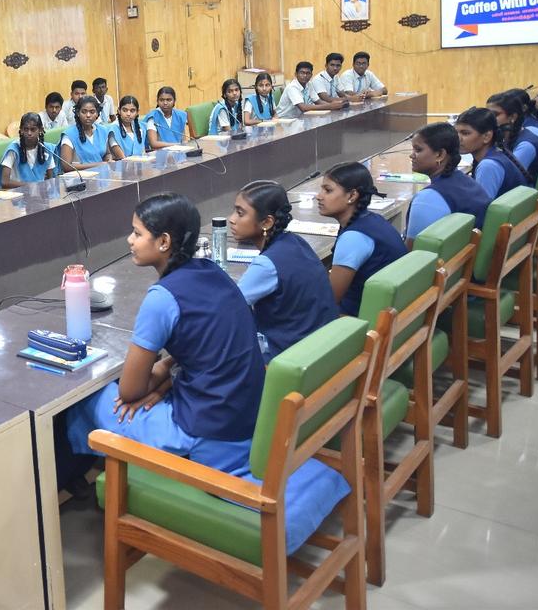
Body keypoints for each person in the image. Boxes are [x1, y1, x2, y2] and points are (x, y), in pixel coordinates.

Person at [63, 193, 265, 474]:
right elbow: (209, 352)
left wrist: (159, 377)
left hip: (204, 431)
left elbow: (130, 391)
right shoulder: (214, 271)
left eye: (137, 233)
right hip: (242, 415)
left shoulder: (162, 298)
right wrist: (166, 376)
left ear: (164, 242)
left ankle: (76, 478)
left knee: (89, 398)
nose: (129, 241)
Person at [229, 181, 338, 362]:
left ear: (266, 222)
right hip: (320, 350)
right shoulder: (296, 241)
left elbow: (228, 308)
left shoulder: (266, 265)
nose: (232, 219)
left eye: (240, 213)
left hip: (289, 358)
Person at [315, 162, 407, 315]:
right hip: (393, 316)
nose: (319, 196)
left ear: (352, 196)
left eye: (327, 190)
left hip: (361, 324)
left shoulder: (354, 238)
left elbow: (329, 301)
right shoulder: (374, 220)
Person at [405, 122, 490, 242]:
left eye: (418, 150)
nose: (411, 155)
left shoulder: (428, 198)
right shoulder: (467, 181)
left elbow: (413, 255)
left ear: (440, 154)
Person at [455, 107, 529, 200]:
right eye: (456, 132)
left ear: (487, 136)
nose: (458, 138)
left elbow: (481, 208)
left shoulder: (488, 166)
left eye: (465, 133)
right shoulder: (498, 152)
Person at [488, 89, 538, 182]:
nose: (488, 118)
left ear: (512, 117)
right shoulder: (505, 135)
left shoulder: (526, 145)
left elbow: (509, 178)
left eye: (495, 114)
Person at [60, 96, 124, 169]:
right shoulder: (69, 135)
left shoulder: (103, 131)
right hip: (79, 177)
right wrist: (98, 165)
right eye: (84, 112)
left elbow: (107, 153)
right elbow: (66, 166)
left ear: (97, 114)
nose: (88, 115)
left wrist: (108, 159)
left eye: (92, 112)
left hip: (101, 175)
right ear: (78, 113)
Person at [0, 112, 58, 188]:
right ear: (21, 130)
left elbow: (51, 178)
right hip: (20, 195)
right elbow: (5, 182)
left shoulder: (46, 149)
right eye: (26, 129)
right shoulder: (14, 149)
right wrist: (31, 186)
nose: (29, 133)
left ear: (40, 130)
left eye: (33, 129)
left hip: (42, 195)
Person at [276, 61, 348, 118]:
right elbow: (303, 107)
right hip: (284, 120)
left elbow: (318, 101)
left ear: (311, 75)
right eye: (302, 73)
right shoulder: (292, 87)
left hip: (300, 118)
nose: (305, 76)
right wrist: (329, 106)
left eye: (308, 73)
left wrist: (334, 106)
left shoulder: (309, 84)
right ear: (296, 74)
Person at [144, 86, 189, 150]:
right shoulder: (153, 117)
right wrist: (176, 145)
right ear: (157, 101)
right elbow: (153, 144)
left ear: (174, 101)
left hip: (179, 152)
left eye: (168, 100)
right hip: (159, 154)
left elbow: (183, 140)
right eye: (161, 100)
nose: (165, 103)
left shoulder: (180, 115)